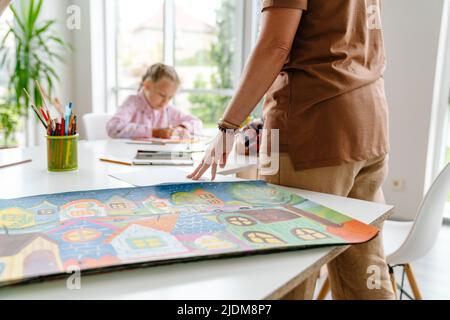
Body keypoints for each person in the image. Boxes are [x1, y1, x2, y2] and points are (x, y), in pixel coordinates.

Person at [188, 0, 395, 300]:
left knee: (288, 272)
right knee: (364, 266)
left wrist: (228, 126)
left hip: (312, 130)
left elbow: (275, 45)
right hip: (369, 121)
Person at [106, 63, 202, 139]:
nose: (165, 102)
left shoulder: (167, 109)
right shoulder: (132, 102)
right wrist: (154, 132)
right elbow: (113, 127)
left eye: (170, 97)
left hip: (157, 160)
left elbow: (197, 123)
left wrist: (182, 127)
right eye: (162, 95)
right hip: (128, 159)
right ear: (147, 85)